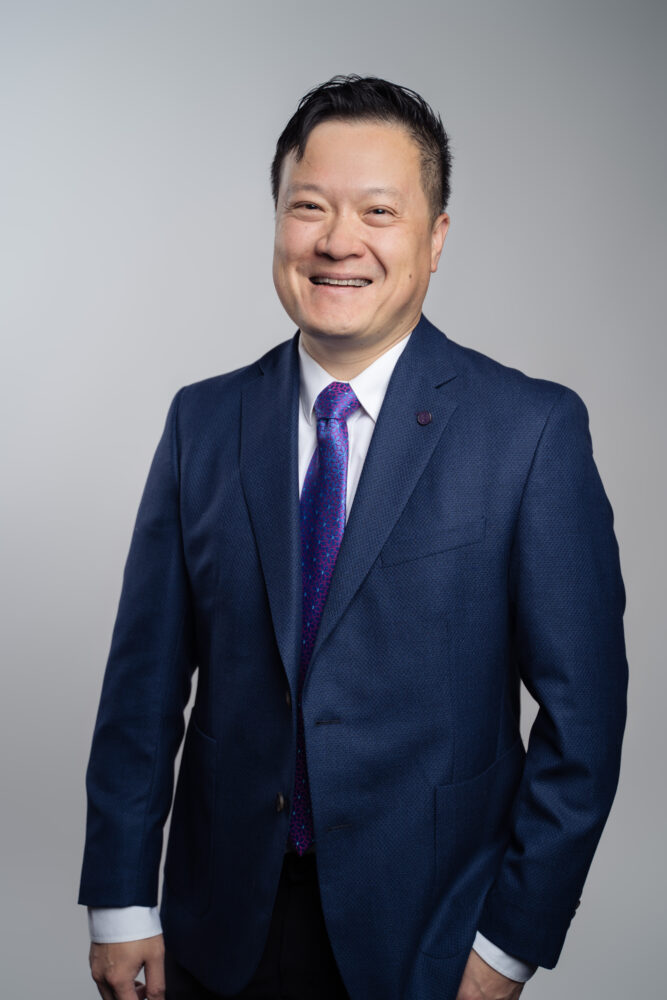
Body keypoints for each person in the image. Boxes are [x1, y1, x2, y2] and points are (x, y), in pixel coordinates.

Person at [79, 75, 628, 1000]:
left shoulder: (527, 432)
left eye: (378, 211)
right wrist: (122, 902)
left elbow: (585, 720)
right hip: (219, 929)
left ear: (435, 238)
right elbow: (143, 686)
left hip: (430, 935)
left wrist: (507, 946)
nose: (338, 241)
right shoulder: (203, 423)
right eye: (309, 207)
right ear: (279, 223)